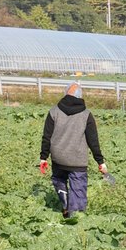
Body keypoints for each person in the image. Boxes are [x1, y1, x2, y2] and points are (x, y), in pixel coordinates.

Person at [38, 83, 107, 217]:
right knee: (78, 188)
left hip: (58, 157)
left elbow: (47, 136)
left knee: (59, 179)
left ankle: (65, 204)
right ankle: (75, 217)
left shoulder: (54, 111)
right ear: (80, 96)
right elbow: (93, 141)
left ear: (65, 94)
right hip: (77, 159)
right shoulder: (86, 115)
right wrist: (100, 161)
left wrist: (43, 157)